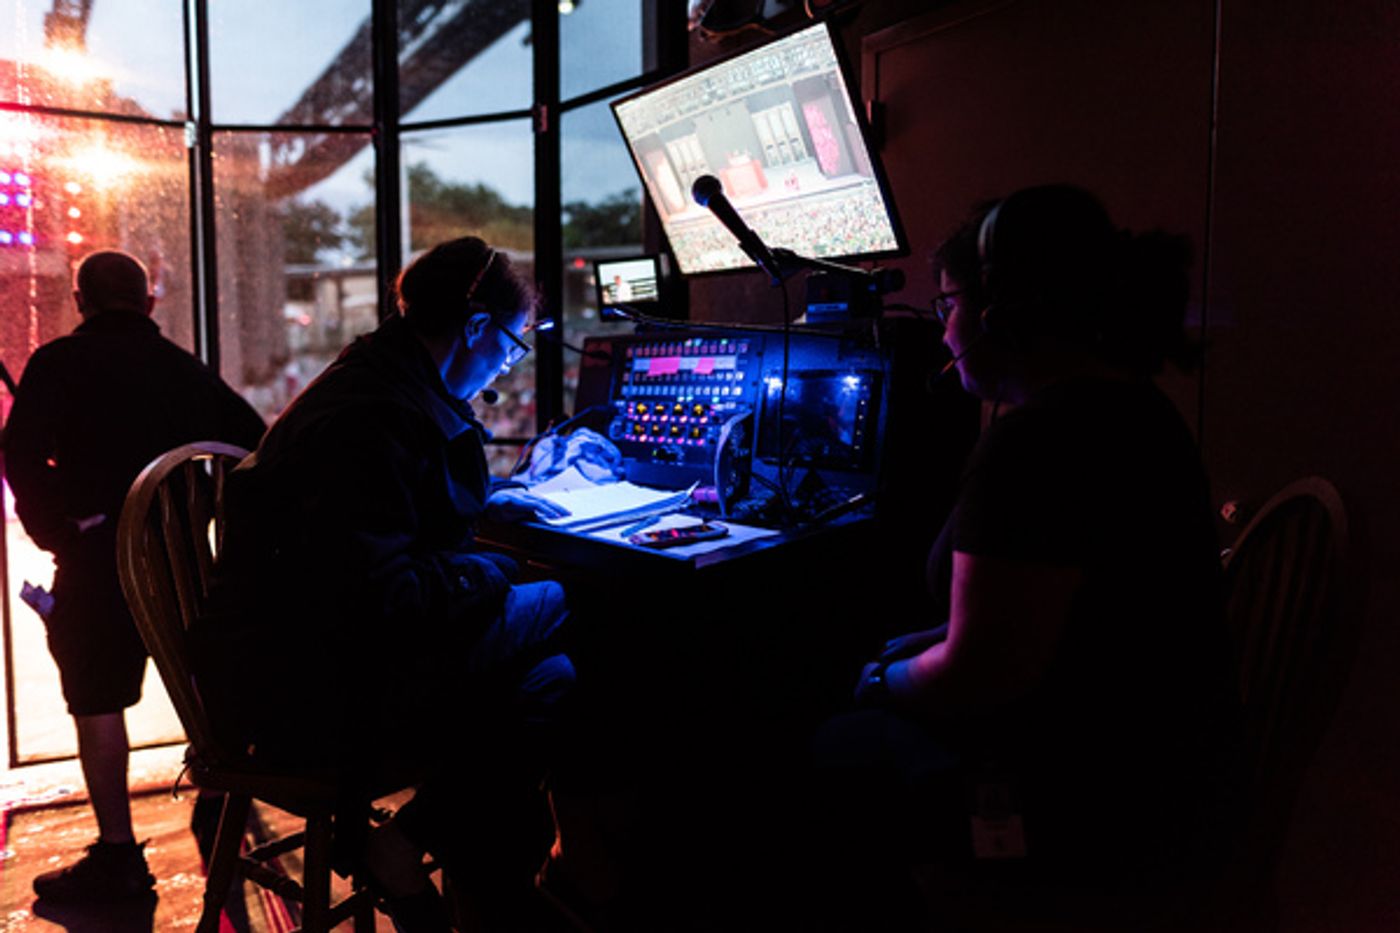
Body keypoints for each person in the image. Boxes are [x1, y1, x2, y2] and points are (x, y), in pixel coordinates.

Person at [814, 186, 1242, 928]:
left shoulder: (1035, 445)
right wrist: (919, 648)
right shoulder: (1133, 407)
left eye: (947, 300)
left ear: (1002, 309)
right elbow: (1056, 624)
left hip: (1087, 810)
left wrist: (886, 677)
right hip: (1157, 775)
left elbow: (981, 672)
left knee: (832, 743)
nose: (943, 329)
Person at [209, 236, 575, 930]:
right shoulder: (374, 417)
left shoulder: (373, 381)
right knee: (562, 601)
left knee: (547, 677)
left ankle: (416, 854)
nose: (505, 364)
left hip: (302, 662)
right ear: (473, 329)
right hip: (311, 693)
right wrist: (495, 565)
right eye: (510, 344)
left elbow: (372, 530)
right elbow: (384, 598)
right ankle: (491, 872)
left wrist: (488, 508)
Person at [5, 250, 266, 903]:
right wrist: (206, 519)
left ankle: (118, 853)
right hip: (182, 568)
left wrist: (58, 532)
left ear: (80, 301)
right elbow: (253, 443)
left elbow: (19, 456)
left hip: (96, 566)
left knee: (96, 699)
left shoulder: (57, 362)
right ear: (149, 304)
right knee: (207, 685)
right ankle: (217, 799)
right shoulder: (184, 371)